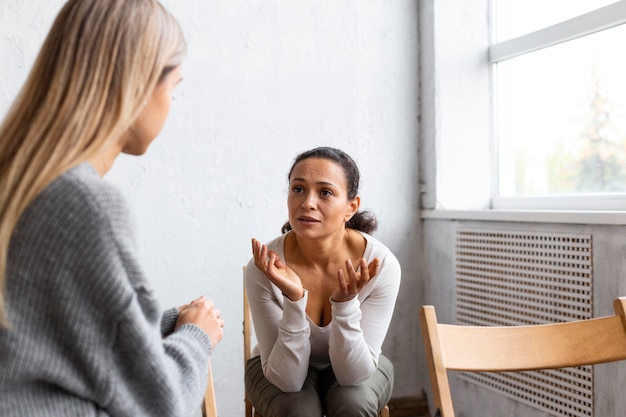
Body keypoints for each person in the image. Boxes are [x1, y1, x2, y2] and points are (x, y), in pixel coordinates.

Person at [0, 1, 224, 416]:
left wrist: (167, 322)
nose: (171, 104)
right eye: (173, 88)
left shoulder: (17, 181)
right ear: (138, 85)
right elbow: (160, 404)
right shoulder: (84, 204)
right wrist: (196, 335)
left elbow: (46, 334)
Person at [245, 147, 401, 417]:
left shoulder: (380, 265)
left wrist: (345, 305)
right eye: (298, 189)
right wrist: (294, 300)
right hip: (277, 367)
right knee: (297, 409)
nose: (307, 203)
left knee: (353, 402)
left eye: (325, 192)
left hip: (358, 364)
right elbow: (288, 382)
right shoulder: (265, 267)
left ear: (350, 207)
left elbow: (352, 376)